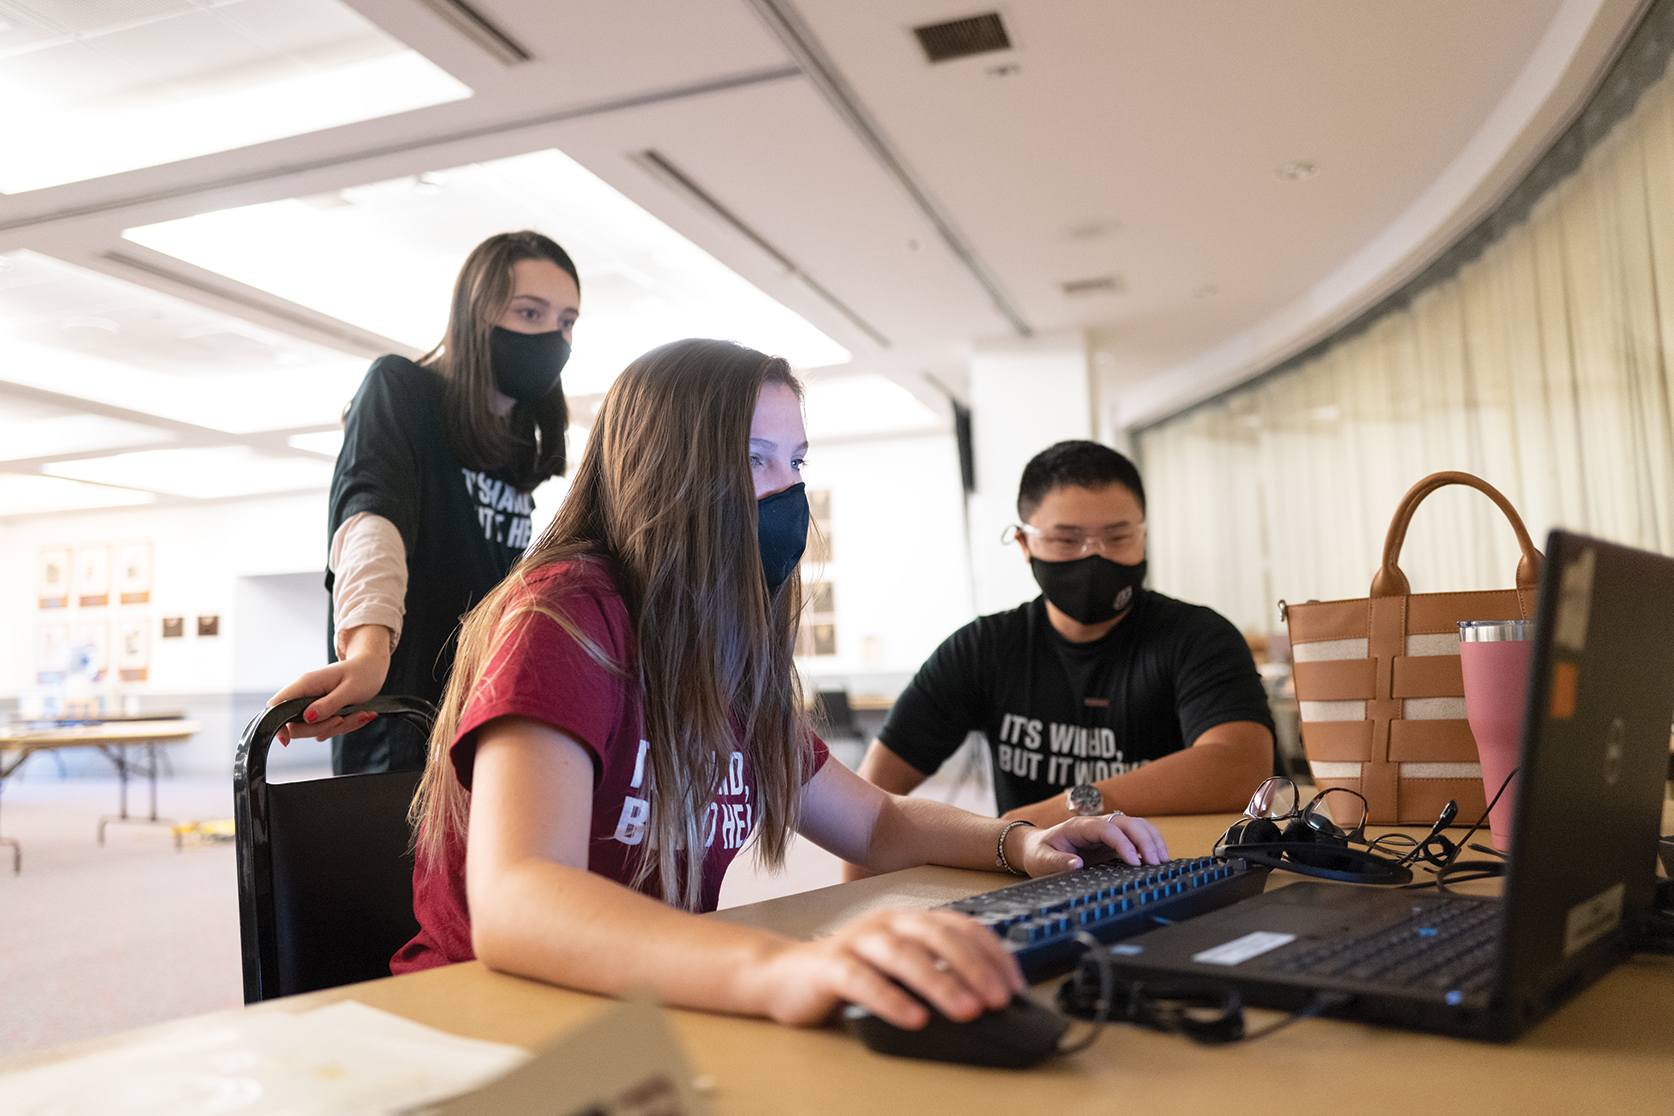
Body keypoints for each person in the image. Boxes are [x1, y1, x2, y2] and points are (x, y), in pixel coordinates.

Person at [389, 339, 1170, 1030]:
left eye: (795, 461)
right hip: (487, 1026)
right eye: (755, 457)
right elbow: (519, 901)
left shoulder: (716, 647)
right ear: (668, 468)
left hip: (636, 1014)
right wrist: (777, 969)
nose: (787, 489)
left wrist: (1023, 845)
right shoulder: (567, 616)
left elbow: (874, 825)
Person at [849, 440, 1273, 855]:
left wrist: (1066, 806)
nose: (1095, 556)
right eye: (1067, 541)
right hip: (1032, 888)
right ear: (1024, 544)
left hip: (1170, 876)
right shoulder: (983, 648)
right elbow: (865, 803)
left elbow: (1240, 766)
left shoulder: (1197, 637)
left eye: (1118, 537)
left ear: (1143, 538)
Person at [270, 231, 582, 773]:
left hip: (487, 714)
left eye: (567, 321)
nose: (553, 336)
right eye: (529, 313)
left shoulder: (514, 442)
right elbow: (372, 520)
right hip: (402, 724)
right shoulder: (400, 388)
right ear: (475, 313)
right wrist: (369, 649)